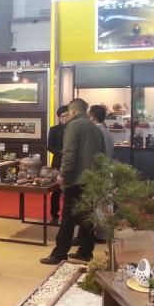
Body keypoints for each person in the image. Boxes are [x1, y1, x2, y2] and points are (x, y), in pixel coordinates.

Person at [40, 98, 105, 265]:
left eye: (68, 112)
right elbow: (102, 155)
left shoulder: (73, 126)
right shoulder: (95, 128)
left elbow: (69, 153)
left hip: (76, 180)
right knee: (87, 216)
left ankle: (59, 253)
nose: (66, 116)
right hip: (92, 179)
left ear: (74, 111)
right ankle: (85, 252)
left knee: (68, 218)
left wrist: (63, 175)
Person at [46, 105, 70, 224]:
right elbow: (49, 147)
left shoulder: (75, 129)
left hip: (71, 164)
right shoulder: (54, 129)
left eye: (67, 115)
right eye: (63, 116)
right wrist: (60, 152)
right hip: (57, 163)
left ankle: (69, 218)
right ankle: (54, 215)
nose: (65, 118)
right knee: (56, 191)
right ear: (59, 118)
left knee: (70, 192)